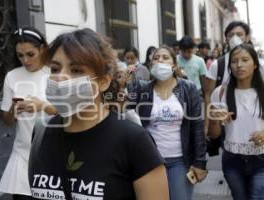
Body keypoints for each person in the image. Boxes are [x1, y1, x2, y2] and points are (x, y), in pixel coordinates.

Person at [28, 28, 169, 200]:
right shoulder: (41, 132)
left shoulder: (134, 141)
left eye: (76, 70)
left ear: (103, 82)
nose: (60, 78)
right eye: (55, 69)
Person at [130, 45, 207, 200]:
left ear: (174, 64)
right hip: (150, 161)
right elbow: (120, 109)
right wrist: (121, 81)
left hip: (179, 161)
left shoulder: (188, 88)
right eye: (156, 58)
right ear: (151, 65)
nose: (160, 61)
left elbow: (197, 127)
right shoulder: (142, 89)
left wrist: (200, 163)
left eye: (165, 57)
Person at [0, 27, 57, 200]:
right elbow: (7, 122)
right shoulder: (12, 76)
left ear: (42, 49)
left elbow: (71, 113)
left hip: (55, 153)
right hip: (23, 155)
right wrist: (13, 110)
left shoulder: (56, 73)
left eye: (30, 54)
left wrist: (42, 106)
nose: (25, 60)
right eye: (20, 55)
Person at [208, 43, 264, 200]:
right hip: (232, 160)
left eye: (245, 60)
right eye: (234, 61)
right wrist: (214, 119)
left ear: (255, 64)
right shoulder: (220, 93)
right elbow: (213, 135)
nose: (239, 65)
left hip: (261, 159)